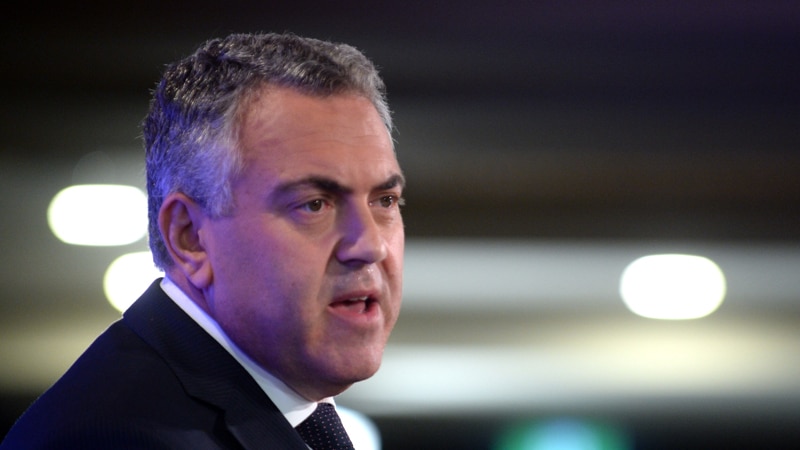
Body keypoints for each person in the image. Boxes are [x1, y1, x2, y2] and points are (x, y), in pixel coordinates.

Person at [1, 32, 405, 449]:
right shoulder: (116, 437)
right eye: (315, 204)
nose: (370, 245)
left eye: (385, 200)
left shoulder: (285, 412)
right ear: (190, 237)